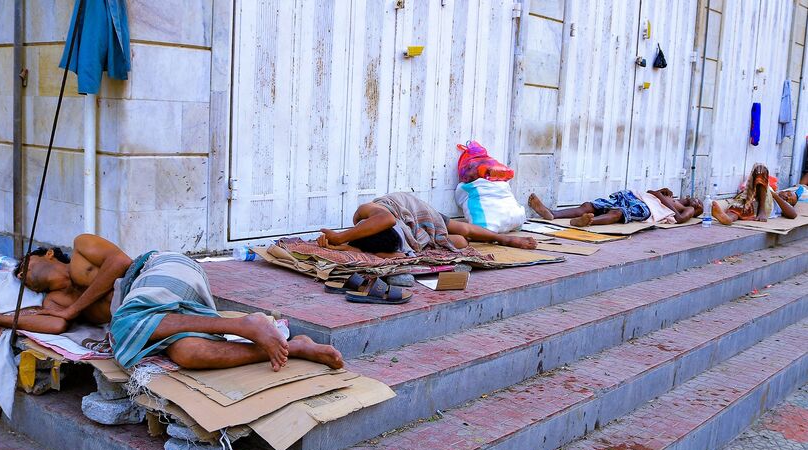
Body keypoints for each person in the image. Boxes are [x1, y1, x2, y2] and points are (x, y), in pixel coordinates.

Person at [0, 234, 343, 372]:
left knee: (123, 326)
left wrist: (74, 310)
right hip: (162, 311)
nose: (21, 273)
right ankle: (296, 348)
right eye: (18, 276)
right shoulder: (55, 300)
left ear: (48, 256)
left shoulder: (80, 249)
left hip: (162, 269)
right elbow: (56, 326)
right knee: (190, 354)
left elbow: (121, 263)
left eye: (25, 265)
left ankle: (244, 324)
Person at [316, 192, 536, 257]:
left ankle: (505, 238)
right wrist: (343, 247)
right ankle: (437, 239)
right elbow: (392, 255)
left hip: (414, 211)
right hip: (410, 228)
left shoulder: (364, 212)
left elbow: (389, 219)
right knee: (457, 242)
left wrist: (339, 237)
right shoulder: (376, 242)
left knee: (463, 229)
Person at [527, 189, 703, 227]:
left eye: (699, 203)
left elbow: (679, 219)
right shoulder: (673, 197)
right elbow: (650, 191)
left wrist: (659, 196)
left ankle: (587, 222)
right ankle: (552, 214)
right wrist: (660, 193)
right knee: (591, 205)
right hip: (633, 196)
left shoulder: (688, 210)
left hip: (644, 207)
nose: (696, 200)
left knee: (618, 213)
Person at [711, 164, 798, 225]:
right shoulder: (773, 188)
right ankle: (728, 219)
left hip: (764, 207)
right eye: (789, 194)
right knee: (739, 208)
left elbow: (793, 215)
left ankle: (761, 209)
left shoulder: (781, 204)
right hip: (750, 199)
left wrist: (775, 195)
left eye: (790, 201)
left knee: (761, 169)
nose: (787, 197)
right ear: (784, 190)